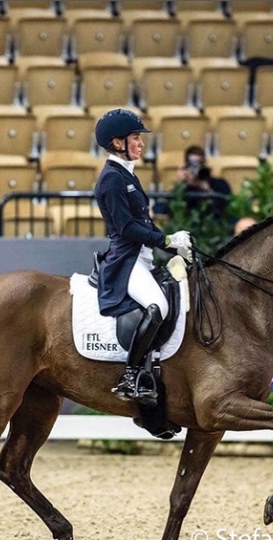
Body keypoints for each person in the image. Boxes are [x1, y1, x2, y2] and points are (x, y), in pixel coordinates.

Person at [94, 108, 193, 405]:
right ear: (117, 142)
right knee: (158, 306)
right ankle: (131, 375)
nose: (140, 143)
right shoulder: (111, 179)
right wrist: (164, 239)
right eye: (135, 138)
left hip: (143, 255)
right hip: (127, 260)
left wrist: (173, 244)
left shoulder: (127, 175)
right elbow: (126, 228)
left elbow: (144, 224)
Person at [176, 145, 232, 218]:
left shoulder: (220, 184)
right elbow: (174, 213)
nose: (195, 168)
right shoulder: (183, 189)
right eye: (192, 165)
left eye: (199, 164)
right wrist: (181, 185)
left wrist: (208, 190)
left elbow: (223, 209)